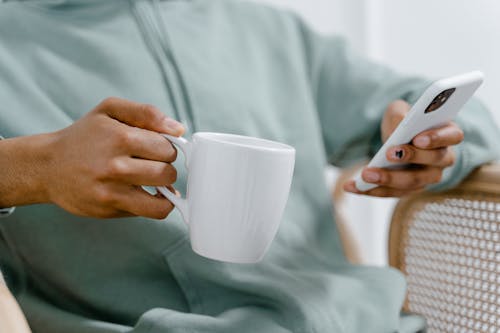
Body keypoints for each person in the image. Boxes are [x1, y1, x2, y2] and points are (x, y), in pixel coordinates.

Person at [0, 0, 498, 332]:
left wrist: (438, 146)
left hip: (366, 321)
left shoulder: (262, 25)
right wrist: (34, 167)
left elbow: (453, 110)